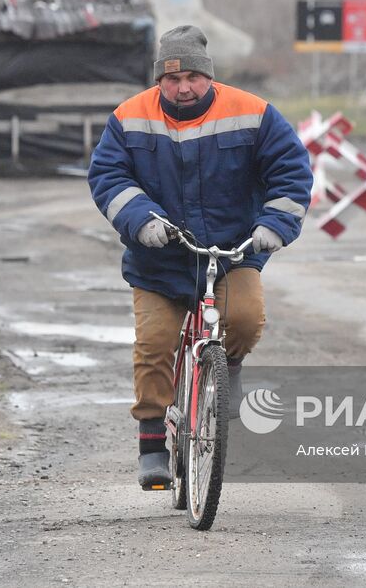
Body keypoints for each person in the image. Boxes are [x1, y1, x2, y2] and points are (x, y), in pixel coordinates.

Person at [87, 24, 313, 489]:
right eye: (172, 79)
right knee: (155, 344)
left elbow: (291, 171)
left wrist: (274, 224)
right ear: (159, 80)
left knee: (245, 319)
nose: (183, 87)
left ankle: (228, 369)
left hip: (231, 253)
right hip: (158, 261)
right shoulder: (129, 117)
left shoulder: (253, 113)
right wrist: (141, 220)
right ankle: (153, 440)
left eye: (192, 77)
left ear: (209, 75)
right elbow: (108, 176)